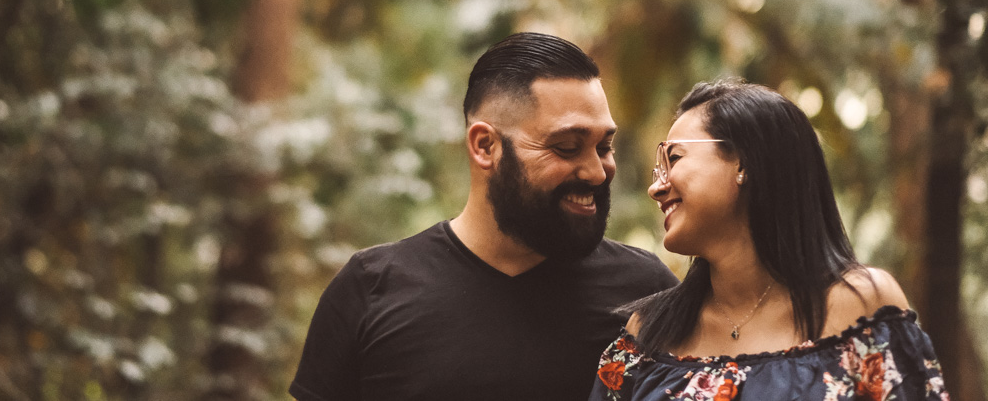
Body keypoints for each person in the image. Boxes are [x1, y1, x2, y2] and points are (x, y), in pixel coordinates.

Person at [289, 32, 678, 401]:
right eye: (567, 147)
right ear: (485, 145)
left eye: (604, 146)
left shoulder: (646, 293)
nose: (596, 172)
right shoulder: (369, 289)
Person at [590, 79, 950, 400]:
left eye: (675, 159)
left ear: (744, 163)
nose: (657, 187)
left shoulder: (863, 307)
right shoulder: (646, 334)